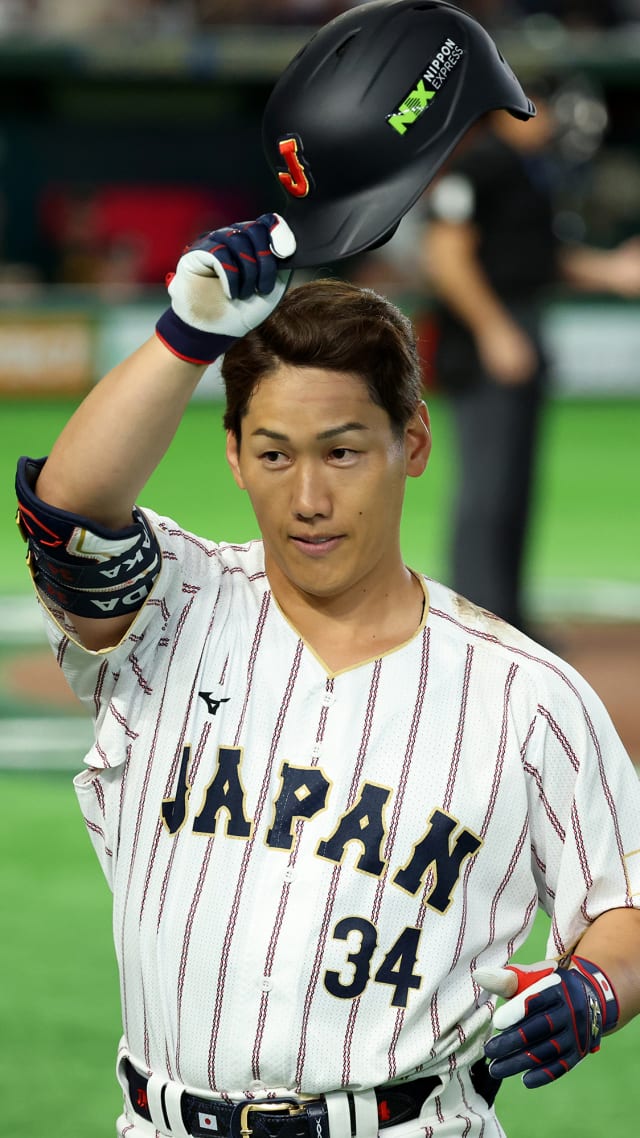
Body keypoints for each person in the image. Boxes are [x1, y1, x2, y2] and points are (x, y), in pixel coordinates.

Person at [15, 213, 640, 1138]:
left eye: (343, 451)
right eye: (275, 454)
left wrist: (597, 988)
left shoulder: (526, 697)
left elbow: (625, 899)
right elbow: (66, 515)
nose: (308, 499)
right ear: (234, 455)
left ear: (412, 443)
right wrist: (187, 334)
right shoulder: (173, 611)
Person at [422, 91, 640, 633]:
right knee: (488, 487)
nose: (551, 119)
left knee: (514, 487)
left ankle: (509, 619)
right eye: (539, 105)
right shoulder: (481, 163)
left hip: (519, 328)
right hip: (487, 337)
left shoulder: (526, 170)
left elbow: (538, 256)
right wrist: (494, 329)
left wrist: (611, 271)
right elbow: (445, 256)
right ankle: (478, 623)